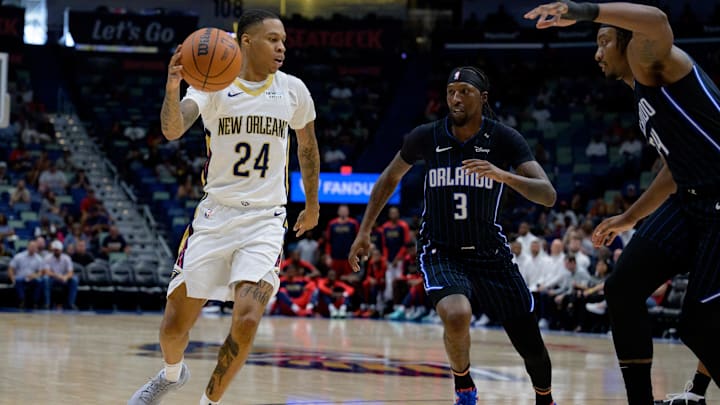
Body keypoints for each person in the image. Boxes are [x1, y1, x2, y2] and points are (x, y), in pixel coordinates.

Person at [524, 2, 720, 404]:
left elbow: (660, 20)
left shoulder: (658, 66)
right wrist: (628, 217)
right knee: (622, 287)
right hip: (691, 199)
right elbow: (672, 170)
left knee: (699, 324)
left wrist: (582, 11)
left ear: (629, 43)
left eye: (604, 41)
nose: (597, 53)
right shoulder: (642, 96)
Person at [128, 9, 320, 405]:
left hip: (265, 219)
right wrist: (172, 86)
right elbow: (172, 129)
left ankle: (209, 402)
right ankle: (170, 374)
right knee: (172, 328)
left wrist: (312, 203)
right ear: (245, 42)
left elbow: (307, 147)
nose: (282, 47)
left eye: (283, 40)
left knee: (248, 319)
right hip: (216, 215)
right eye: (272, 39)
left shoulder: (293, 89)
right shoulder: (212, 85)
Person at [348, 66, 557, 405]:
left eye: (465, 91)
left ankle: (545, 397)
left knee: (530, 344)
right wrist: (365, 230)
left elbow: (547, 194)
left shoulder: (504, 138)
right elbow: (388, 178)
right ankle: (464, 386)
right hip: (440, 248)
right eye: (451, 92)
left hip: (490, 252)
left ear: (483, 97)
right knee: (457, 313)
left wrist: (503, 176)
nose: (456, 98)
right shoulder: (425, 136)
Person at [8, 240, 47, 309]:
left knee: (40, 281)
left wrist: (35, 275)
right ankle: (22, 301)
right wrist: (12, 278)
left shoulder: (39, 259)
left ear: (36, 248)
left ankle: (35, 302)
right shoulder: (19, 256)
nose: (32, 248)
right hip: (21, 277)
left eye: (34, 247)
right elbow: (11, 268)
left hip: (33, 278)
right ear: (27, 246)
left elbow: (41, 272)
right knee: (18, 280)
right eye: (31, 246)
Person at [43, 240, 78, 310]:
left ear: (61, 250)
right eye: (54, 250)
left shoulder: (67, 258)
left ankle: (71, 304)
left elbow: (71, 272)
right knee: (46, 279)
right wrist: (58, 276)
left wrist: (66, 277)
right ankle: (47, 303)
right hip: (53, 278)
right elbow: (47, 271)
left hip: (64, 279)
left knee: (74, 279)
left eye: (57, 250)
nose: (56, 252)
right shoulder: (47, 258)